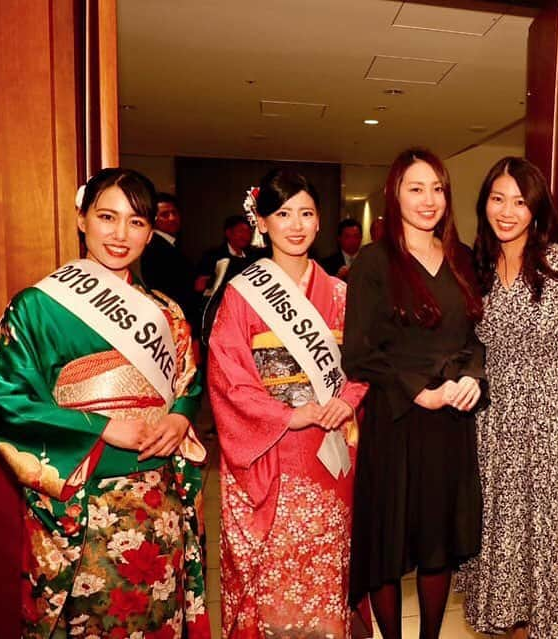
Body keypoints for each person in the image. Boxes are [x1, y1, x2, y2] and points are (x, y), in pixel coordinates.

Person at [0, 168, 209, 638]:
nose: (120, 234)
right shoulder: (38, 306)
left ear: (151, 232)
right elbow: (7, 395)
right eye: (107, 216)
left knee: (157, 618)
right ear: (82, 218)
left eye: (137, 222)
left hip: (157, 502)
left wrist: (179, 417)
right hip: (85, 505)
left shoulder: (166, 312)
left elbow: (188, 380)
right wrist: (102, 426)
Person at [207, 168, 367, 637]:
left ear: (320, 223)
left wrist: (349, 398)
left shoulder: (342, 294)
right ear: (262, 221)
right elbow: (228, 377)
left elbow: (364, 363)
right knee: (274, 566)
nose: (295, 225)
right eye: (282, 214)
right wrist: (288, 414)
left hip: (332, 449)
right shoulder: (240, 296)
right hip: (273, 446)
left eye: (306, 214)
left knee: (328, 563)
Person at [345, 147, 485, 639]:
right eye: (416, 188)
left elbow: (473, 338)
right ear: (395, 194)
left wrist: (472, 377)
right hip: (398, 419)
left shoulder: (461, 257)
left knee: (437, 543)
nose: (429, 200)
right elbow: (358, 353)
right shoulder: (373, 261)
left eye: (437, 189)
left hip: (451, 424)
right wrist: (418, 392)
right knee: (388, 546)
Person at [458, 157, 558, 639]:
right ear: (484, 203)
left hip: (549, 408)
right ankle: (503, 618)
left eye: (519, 201)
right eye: (497, 199)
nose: (507, 211)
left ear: (536, 207)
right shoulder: (472, 263)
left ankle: (543, 619)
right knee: (497, 517)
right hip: (490, 412)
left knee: (543, 516)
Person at [196, 214, 261, 344]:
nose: (245, 235)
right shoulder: (212, 256)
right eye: (240, 231)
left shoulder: (254, 257)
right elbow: (199, 286)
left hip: (245, 314)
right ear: (228, 233)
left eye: (248, 232)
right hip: (219, 314)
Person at [140, 191, 196, 316]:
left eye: (174, 213)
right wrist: (195, 285)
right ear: (153, 219)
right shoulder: (154, 247)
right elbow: (164, 288)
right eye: (165, 215)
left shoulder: (170, 244)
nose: (172, 218)